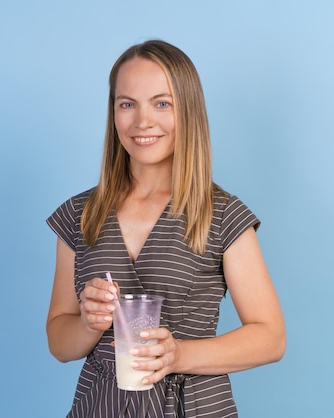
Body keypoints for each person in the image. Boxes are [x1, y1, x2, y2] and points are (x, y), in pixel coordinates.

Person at [46, 39, 286, 417]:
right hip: (100, 406)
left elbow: (271, 338)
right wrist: (89, 325)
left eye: (162, 103)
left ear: (187, 110)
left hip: (192, 406)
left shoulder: (220, 214)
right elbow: (60, 343)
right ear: (113, 113)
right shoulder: (80, 214)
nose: (143, 122)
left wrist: (179, 355)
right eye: (127, 104)